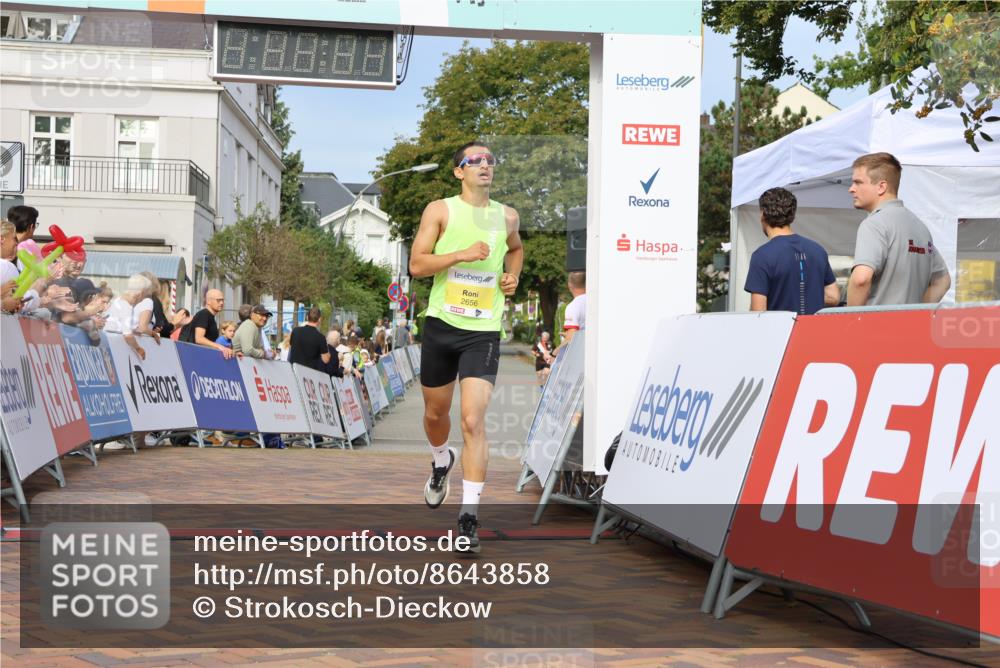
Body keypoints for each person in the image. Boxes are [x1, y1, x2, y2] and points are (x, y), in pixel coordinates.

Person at [409, 140, 523, 554]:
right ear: (459, 171)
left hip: (483, 330)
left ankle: (468, 518)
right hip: (441, 324)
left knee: (473, 420)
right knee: (435, 415)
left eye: (490, 159)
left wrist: (512, 277)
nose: (484, 165)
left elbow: (516, 249)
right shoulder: (440, 210)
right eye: (474, 160)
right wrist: (461, 254)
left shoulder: (507, 216)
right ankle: (441, 459)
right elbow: (417, 265)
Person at [847, 152, 951, 306]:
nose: (851, 189)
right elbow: (943, 281)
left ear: (881, 187)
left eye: (858, 182)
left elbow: (861, 279)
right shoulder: (920, 227)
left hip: (876, 327)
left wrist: (849, 322)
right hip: (910, 327)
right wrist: (916, 311)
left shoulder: (874, 224)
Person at [743, 187, 840, 314]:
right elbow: (834, 297)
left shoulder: (762, 256)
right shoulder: (818, 250)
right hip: (813, 331)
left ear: (762, 214)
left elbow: (758, 312)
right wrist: (806, 295)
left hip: (781, 332)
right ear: (792, 215)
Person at [181, 288, 234, 359]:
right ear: (208, 301)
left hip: (201, 357)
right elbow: (199, 339)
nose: (221, 303)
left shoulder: (210, 317)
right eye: (218, 300)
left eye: (222, 300)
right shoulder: (204, 314)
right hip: (193, 357)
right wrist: (220, 347)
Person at [288, 306, 331, 371]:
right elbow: (326, 360)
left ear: (307, 317)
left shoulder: (295, 331)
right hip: (308, 374)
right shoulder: (320, 337)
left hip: (294, 371)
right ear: (319, 319)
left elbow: (291, 347)